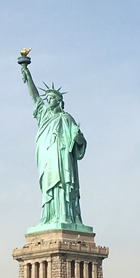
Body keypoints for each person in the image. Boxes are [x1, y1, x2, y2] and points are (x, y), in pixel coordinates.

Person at [21, 64, 87, 228]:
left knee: (63, 185)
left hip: (63, 157)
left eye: (51, 98)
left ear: (59, 101)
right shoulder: (43, 114)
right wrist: (28, 75)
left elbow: (80, 142)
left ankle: (66, 216)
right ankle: (50, 217)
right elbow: (35, 97)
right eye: (47, 98)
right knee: (49, 186)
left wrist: (78, 138)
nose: (48, 100)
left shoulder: (66, 118)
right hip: (47, 156)